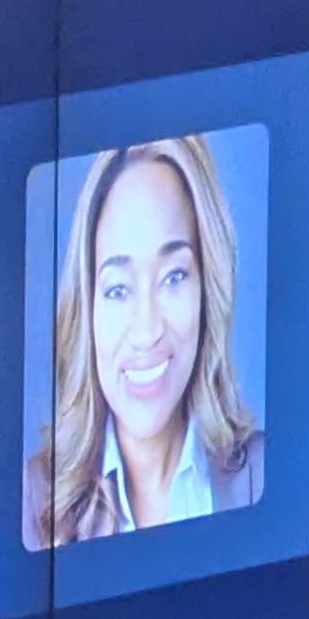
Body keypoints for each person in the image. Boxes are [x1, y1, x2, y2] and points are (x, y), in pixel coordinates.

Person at [23, 135, 266, 548]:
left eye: (174, 277)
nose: (146, 330)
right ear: (88, 309)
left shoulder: (263, 474)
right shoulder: (34, 500)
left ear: (209, 288)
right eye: (118, 289)